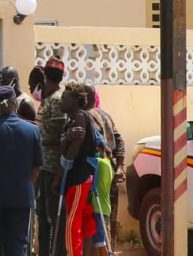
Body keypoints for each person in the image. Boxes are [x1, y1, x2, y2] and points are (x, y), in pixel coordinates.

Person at [0, 87, 43, 256]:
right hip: (22, 197)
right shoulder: (33, 129)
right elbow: (37, 166)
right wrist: (26, 184)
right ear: (15, 104)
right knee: (18, 245)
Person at [54, 83, 100, 256]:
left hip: (77, 178)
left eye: (64, 98)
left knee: (72, 224)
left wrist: (65, 144)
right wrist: (66, 140)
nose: (61, 101)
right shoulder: (73, 120)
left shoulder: (80, 117)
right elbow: (65, 148)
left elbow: (71, 153)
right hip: (80, 177)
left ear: (75, 101)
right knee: (85, 218)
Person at [82, 84, 124, 242]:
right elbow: (120, 141)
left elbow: (98, 144)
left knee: (95, 222)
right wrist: (119, 167)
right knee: (109, 220)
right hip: (111, 171)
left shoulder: (87, 117)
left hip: (96, 175)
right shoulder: (106, 115)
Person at [37, 57, 66, 256]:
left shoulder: (56, 100)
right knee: (43, 214)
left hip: (52, 166)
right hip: (43, 165)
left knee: (53, 215)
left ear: (46, 76)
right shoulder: (49, 98)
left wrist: (36, 137)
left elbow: (56, 133)